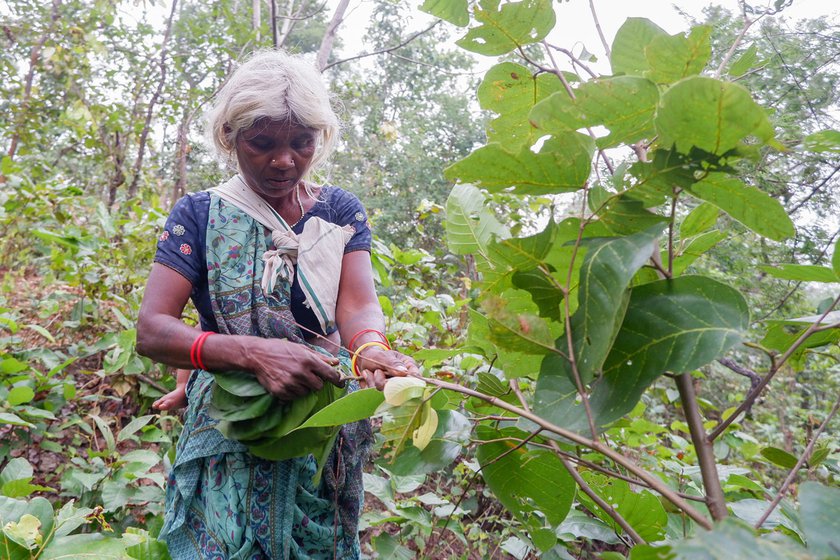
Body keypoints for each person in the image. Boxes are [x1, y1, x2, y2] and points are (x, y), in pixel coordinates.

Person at [136, 49, 418, 559]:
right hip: (231, 423)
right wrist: (252, 354)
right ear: (230, 138)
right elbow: (154, 330)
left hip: (321, 428)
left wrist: (372, 349)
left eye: (301, 143)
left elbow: (356, 306)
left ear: (321, 141)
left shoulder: (339, 211)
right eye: (262, 143)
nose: (283, 160)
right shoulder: (199, 215)